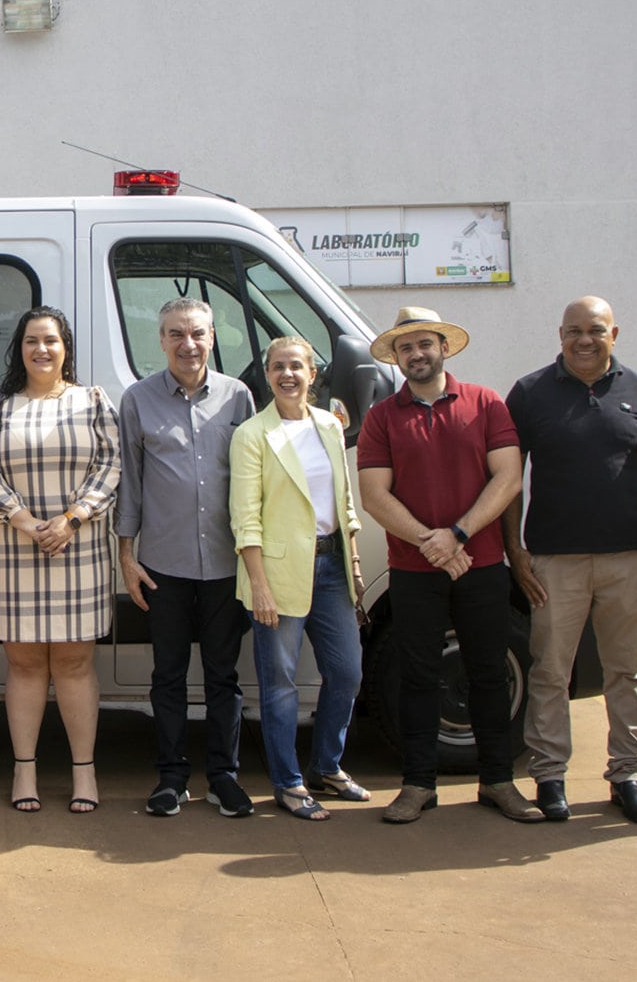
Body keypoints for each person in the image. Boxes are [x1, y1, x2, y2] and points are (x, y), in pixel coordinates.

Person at [354, 307, 541, 824]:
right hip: (414, 570)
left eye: (425, 344)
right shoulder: (381, 417)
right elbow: (374, 494)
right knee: (417, 677)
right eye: (406, 347)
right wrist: (430, 541)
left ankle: (499, 782)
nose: (417, 354)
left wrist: (458, 534)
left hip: (481, 564)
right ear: (396, 357)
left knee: (486, 673)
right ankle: (418, 785)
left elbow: (507, 479)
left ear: (444, 348)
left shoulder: (486, 403)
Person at [502, 296, 637, 824]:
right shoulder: (529, 393)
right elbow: (509, 479)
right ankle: (549, 776)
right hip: (555, 558)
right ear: (560, 334)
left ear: (615, 332)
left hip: (629, 556)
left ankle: (628, 774)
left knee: (626, 670)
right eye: (574, 331)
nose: (584, 341)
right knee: (550, 670)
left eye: (595, 330)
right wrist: (515, 549)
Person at [0, 306, 120, 814]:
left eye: (51, 340)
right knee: (25, 661)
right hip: (16, 547)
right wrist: (24, 520)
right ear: (20, 347)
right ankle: (24, 770)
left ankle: (85, 772)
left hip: (78, 546)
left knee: (75, 662)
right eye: (32, 341)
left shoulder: (92, 400)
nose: (42, 350)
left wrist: (72, 519)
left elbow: (111, 465)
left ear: (66, 348)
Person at [117, 298, 256, 819]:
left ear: (213, 337)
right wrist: (126, 559)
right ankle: (171, 777)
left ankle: (224, 777)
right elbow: (130, 483)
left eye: (196, 333)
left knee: (224, 676)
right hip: (163, 567)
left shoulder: (237, 398)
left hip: (226, 564)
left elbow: (252, 478)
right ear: (161, 340)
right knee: (167, 676)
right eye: (175, 333)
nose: (187, 343)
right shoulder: (138, 400)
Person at [231, 335, 366, 821]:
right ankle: (288, 783)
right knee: (280, 684)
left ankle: (327, 766)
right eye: (277, 367)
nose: (287, 374)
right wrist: (259, 585)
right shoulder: (252, 434)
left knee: (347, 673)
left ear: (313, 374)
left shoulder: (330, 425)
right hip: (279, 571)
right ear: (266, 375)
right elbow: (244, 519)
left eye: (296, 366)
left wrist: (353, 562)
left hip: (332, 568)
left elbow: (345, 503)